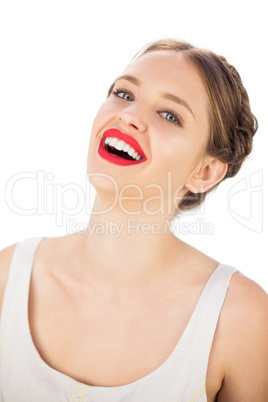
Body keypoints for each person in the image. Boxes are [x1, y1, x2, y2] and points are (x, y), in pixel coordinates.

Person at [0, 39, 267, 402]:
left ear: (205, 172)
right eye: (124, 93)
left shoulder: (241, 319)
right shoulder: (8, 275)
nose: (128, 115)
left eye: (170, 115)